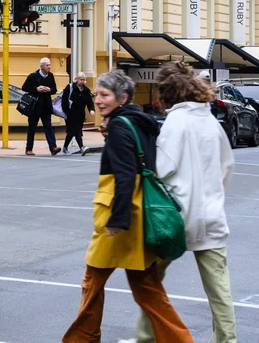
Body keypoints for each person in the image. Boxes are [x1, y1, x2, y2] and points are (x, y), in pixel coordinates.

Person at [62, 70, 193, 343]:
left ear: (121, 98)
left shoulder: (120, 126)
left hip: (119, 217)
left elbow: (124, 176)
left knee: (92, 284)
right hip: (137, 216)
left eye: (104, 95)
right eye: (97, 94)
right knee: (148, 290)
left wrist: (116, 220)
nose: (97, 100)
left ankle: (81, 340)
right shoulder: (140, 123)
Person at [132, 62, 236, 343]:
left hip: (176, 219)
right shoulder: (211, 122)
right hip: (212, 216)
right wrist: (214, 196)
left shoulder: (175, 123)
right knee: (219, 291)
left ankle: (145, 336)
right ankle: (226, 339)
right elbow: (227, 166)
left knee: (151, 282)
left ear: (166, 94)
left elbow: (162, 169)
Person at [22, 58, 60, 155]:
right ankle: (29, 149)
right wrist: (36, 89)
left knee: (48, 127)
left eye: (49, 65)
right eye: (47, 65)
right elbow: (24, 87)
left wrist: (48, 89)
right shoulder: (33, 76)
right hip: (35, 106)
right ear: (41, 66)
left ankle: (53, 148)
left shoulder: (50, 76)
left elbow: (54, 89)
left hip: (46, 106)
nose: (49, 67)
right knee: (32, 128)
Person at [61, 72, 95, 155]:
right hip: (70, 114)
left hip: (80, 115)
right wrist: (67, 111)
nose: (83, 81)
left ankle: (65, 147)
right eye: (81, 80)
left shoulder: (86, 90)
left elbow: (89, 102)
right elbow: (64, 101)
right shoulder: (70, 87)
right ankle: (82, 147)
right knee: (77, 130)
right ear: (77, 79)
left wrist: (91, 109)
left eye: (84, 80)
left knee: (71, 131)